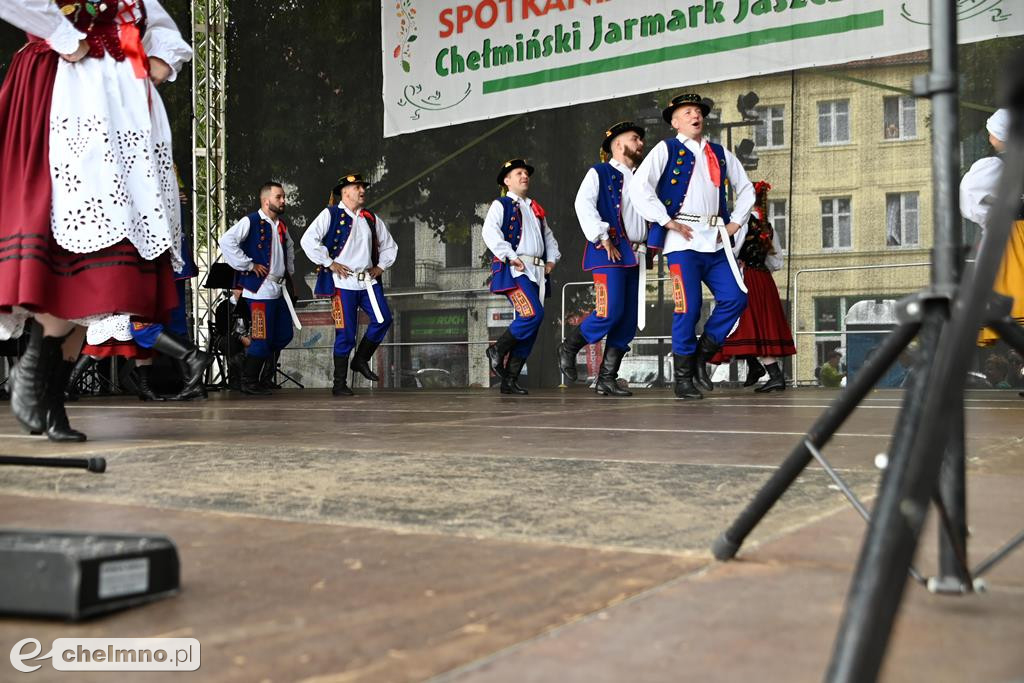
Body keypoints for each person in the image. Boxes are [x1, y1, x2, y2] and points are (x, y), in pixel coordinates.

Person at [0, 1, 191, 438]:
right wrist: (66, 37)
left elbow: (157, 25)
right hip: (66, 95)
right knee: (70, 253)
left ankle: (49, 402)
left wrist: (161, 54)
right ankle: (39, 384)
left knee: (102, 279)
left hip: (121, 107)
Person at [630, 93, 753, 399]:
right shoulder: (666, 149)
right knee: (689, 307)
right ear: (674, 122)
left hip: (715, 240)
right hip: (682, 242)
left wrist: (736, 222)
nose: (695, 116)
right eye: (687, 112)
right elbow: (639, 186)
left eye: (697, 111)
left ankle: (700, 356)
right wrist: (664, 220)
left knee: (736, 298)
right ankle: (683, 377)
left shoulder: (719, 153)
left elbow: (747, 189)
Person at [558, 121, 648, 396]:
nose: (641, 144)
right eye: (635, 139)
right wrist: (603, 237)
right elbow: (582, 204)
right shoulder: (600, 172)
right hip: (609, 251)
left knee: (628, 319)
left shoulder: (642, 178)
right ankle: (571, 346)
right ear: (618, 144)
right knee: (609, 310)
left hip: (635, 254)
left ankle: (607, 378)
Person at [300, 173, 397, 396]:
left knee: (383, 318)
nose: (362, 190)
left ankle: (361, 359)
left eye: (363, 187)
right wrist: (329, 262)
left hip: (367, 281)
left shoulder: (370, 218)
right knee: (346, 333)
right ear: (345, 192)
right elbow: (308, 240)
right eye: (357, 187)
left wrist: (380, 267)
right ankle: (339, 383)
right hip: (342, 282)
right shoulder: (331, 214)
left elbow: (390, 246)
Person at [960, 108, 1024, 398]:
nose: (988, 137)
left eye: (992, 132)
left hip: (1011, 238)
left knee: (1014, 305)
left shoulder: (994, 166)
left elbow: (970, 201)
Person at [483, 159, 561, 394]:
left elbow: (549, 237)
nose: (524, 175)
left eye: (526, 172)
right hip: (516, 268)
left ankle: (510, 379)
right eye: (518, 173)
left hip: (536, 271)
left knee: (533, 325)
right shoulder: (502, 204)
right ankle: (497, 350)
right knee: (533, 314)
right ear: (507, 181)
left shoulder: (535, 208)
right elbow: (489, 231)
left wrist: (551, 260)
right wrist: (508, 255)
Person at [709, 181, 796, 392]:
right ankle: (755, 365)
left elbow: (733, 250)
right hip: (764, 279)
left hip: (746, 278)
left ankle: (770, 373)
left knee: (739, 323)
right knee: (755, 325)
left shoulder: (742, 222)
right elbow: (777, 262)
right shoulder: (767, 226)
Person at [219, 182, 297, 395]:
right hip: (260, 289)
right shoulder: (251, 221)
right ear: (266, 200)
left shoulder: (281, 225)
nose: (283, 200)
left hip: (278, 288)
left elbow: (289, 247)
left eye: (283, 197)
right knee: (262, 337)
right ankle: (249, 380)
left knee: (284, 334)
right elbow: (226, 241)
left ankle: (253, 371)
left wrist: (288, 271)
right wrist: (248, 265)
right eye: (279, 197)